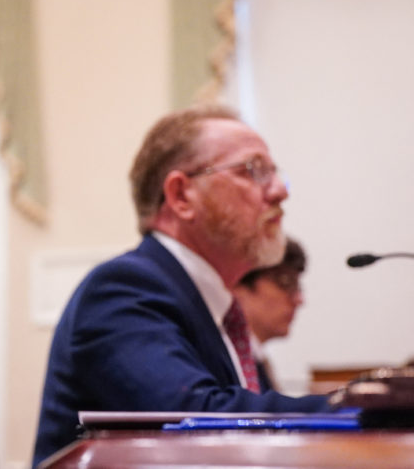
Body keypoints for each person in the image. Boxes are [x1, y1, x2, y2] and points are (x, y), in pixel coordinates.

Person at [32, 105, 330, 466]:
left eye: (276, 173)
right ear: (181, 196)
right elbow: (196, 421)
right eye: (253, 171)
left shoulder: (220, 311)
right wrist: (368, 405)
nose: (280, 191)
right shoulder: (123, 288)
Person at [234, 237, 307, 391]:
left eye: (298, 287)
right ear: (237, 282)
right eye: (286, 282)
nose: (299, 300)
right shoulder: (222, 359)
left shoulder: (257, 362)